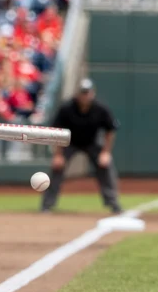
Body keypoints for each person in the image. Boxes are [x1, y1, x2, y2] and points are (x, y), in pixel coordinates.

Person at [40, 78, 122, 214]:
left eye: (87, 92)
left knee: (106, 166)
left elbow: (110, 131)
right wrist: (58, 155)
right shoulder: (67, 108)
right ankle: (46, 205)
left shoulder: (100, 109)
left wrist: (106, 152)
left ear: (92, 93)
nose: (85, 95)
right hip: (69, 143)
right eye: (83, 92)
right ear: (77, 94)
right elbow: (56, 131)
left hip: (92, 143)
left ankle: (114, 204)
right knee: (57, 167)